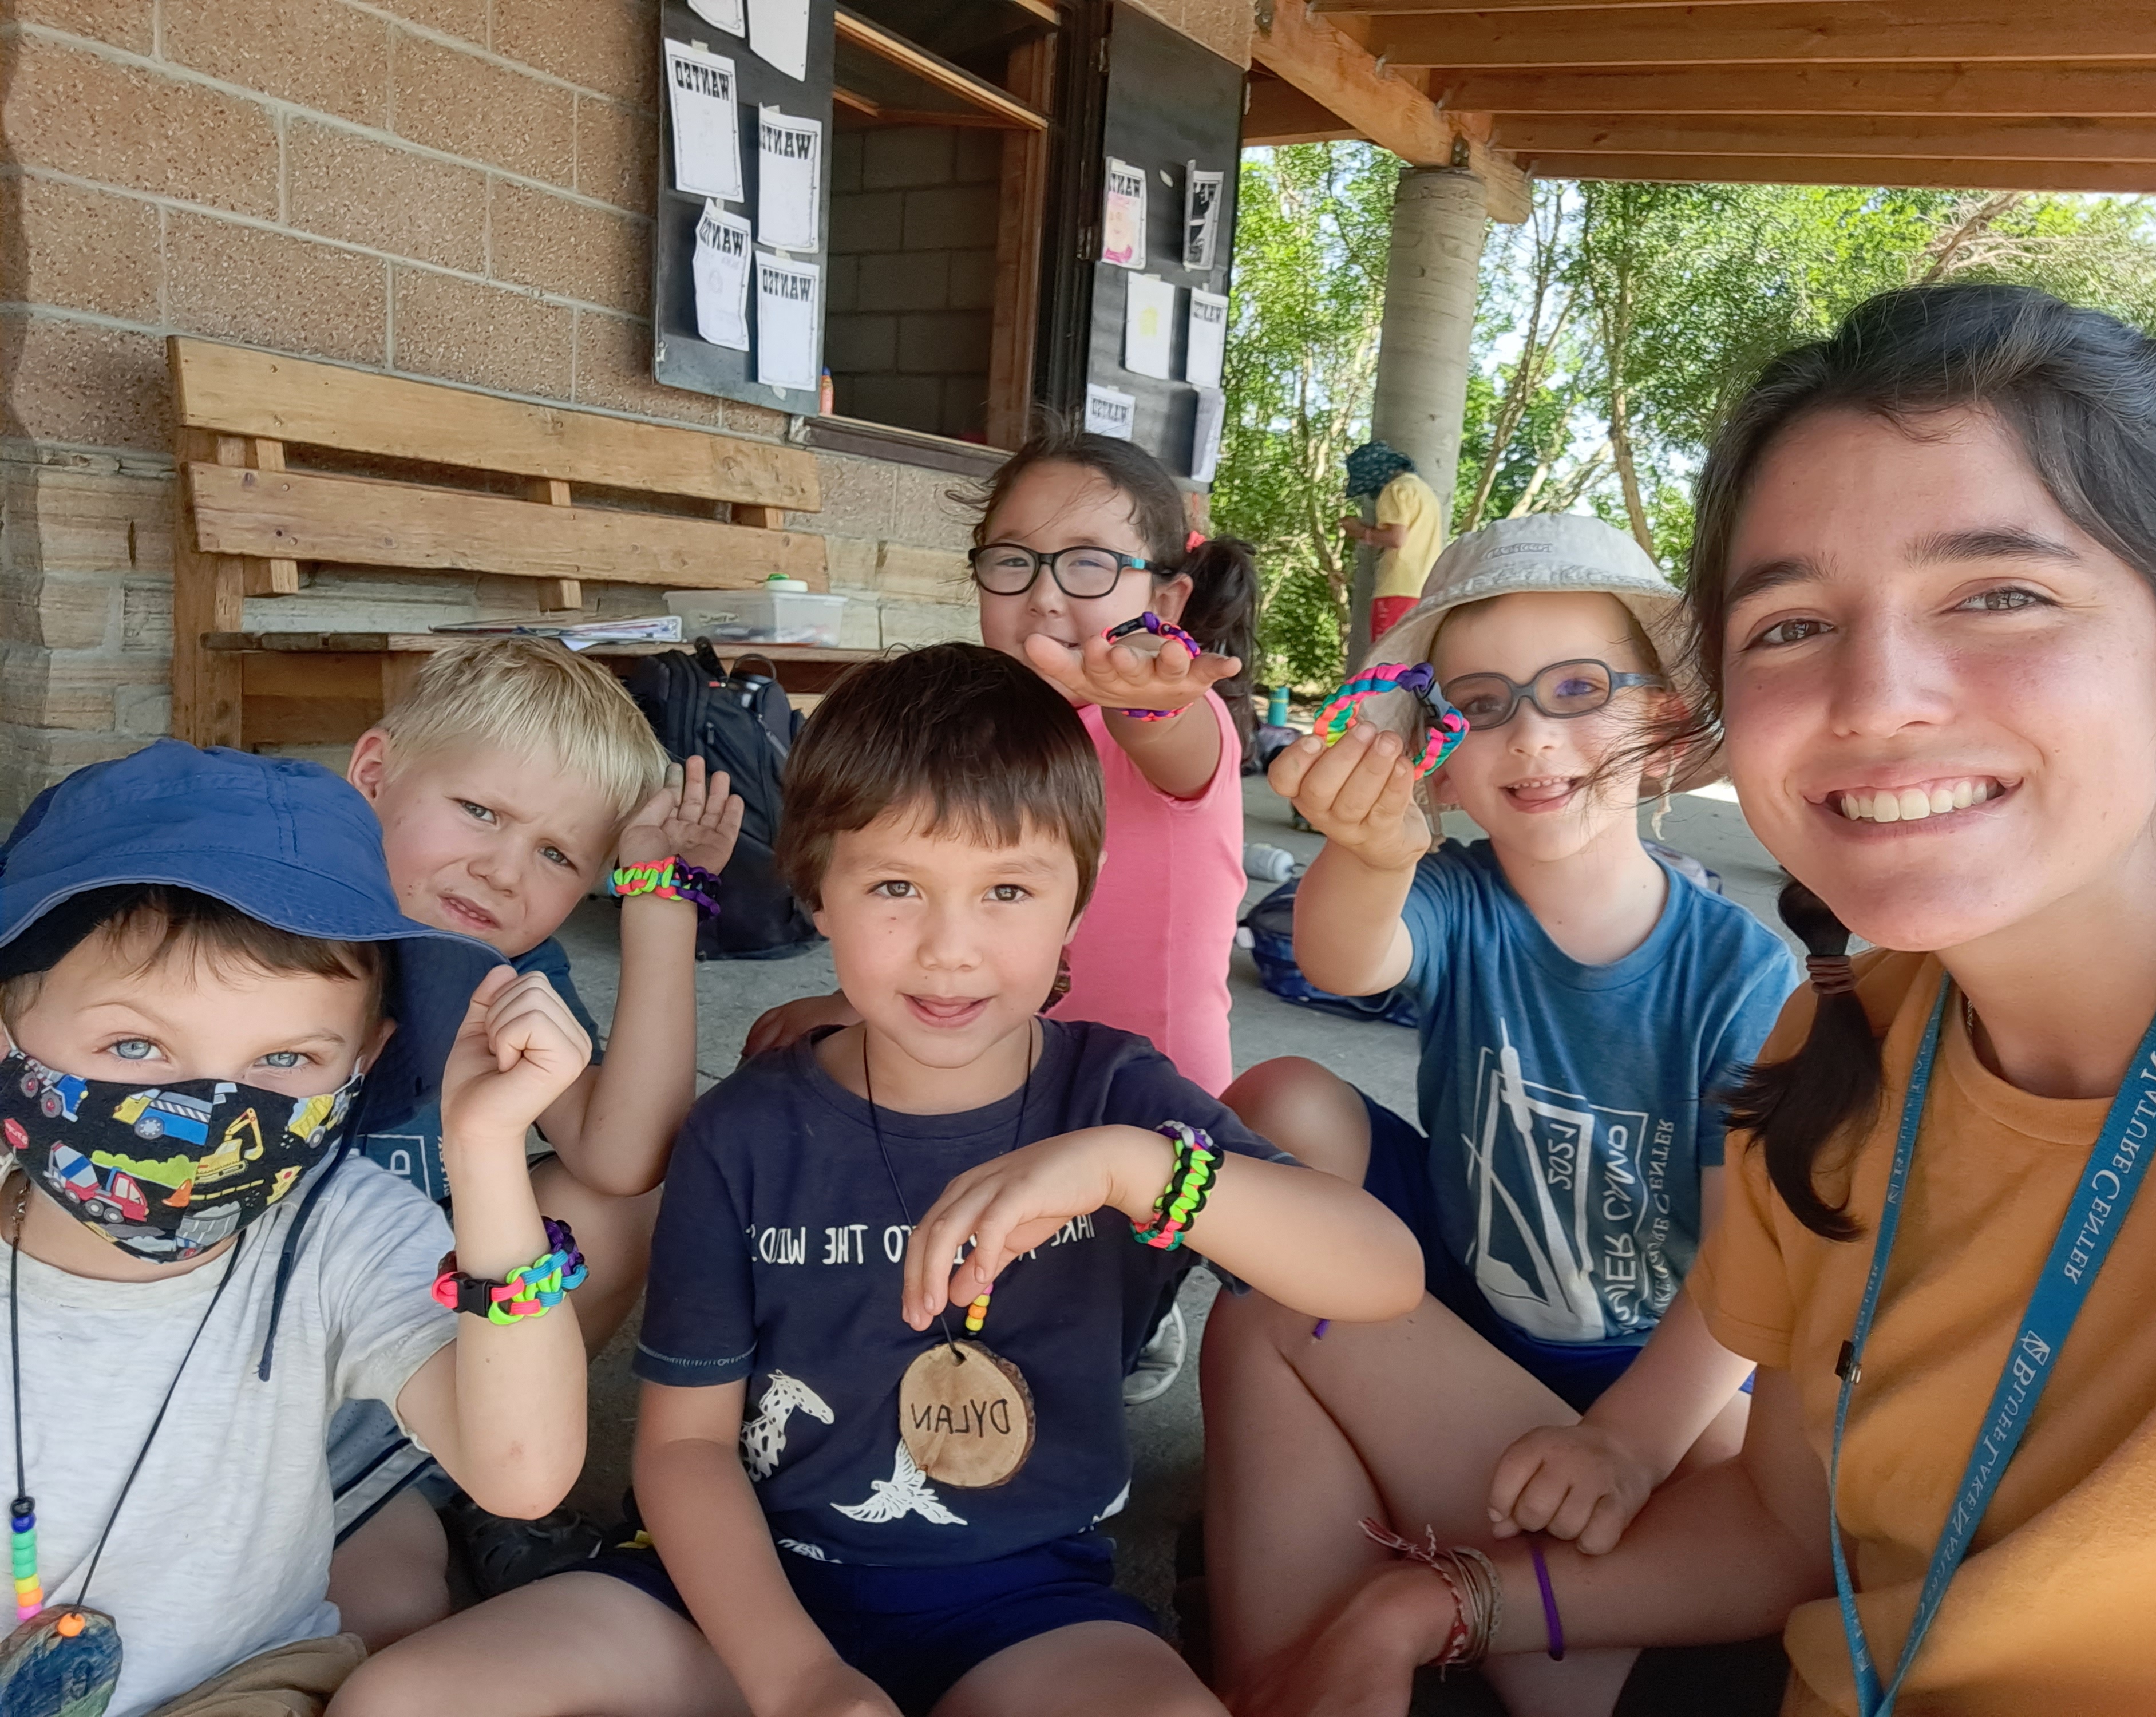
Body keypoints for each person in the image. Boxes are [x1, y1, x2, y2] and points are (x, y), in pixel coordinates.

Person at [1227, 284, 2156, 1717]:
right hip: (1762, 1609)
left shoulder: (1737, 975)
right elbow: (1793, 1525)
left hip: (1641, 1388)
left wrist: (1618, 1449)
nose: (1876, 695)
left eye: (1997, 594)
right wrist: (1433, 1603)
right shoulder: (1850, 1032)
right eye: (1791, 623)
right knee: (1272, 1304)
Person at [331, 642, 1421, 1717]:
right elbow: (685, 1450)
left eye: (1008, 890)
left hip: (1031, 1609)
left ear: (1079, 904)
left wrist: (1135, 1169)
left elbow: (1379, 1275)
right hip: (727, 1596)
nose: (950, 948)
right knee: (402, 1699)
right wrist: (797, 1679)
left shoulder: (1120, 1099)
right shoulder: (742, 1131)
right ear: (817, 893)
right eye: (897, 886)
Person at [1204, 513, 1797, 1713]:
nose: (1529, 734)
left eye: (1578, 689)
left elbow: (1757, 1263)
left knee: (1750, 1501)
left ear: (1665, 720)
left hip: (1657, 1354)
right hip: (1469, 1291)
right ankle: (1315, 1651)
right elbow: (1343, 956)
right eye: (1481, 704)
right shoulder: (1458, 896)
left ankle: (1411, 1569)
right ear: (1440, 749)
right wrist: (1373, 852)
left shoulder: (1739, 975)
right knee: (1280, 1105)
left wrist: (1628, 1442)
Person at [0, 741, 590, 1717]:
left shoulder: (338, 1234)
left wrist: (486, 1152)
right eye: (135, 1044)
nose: (205, 1113)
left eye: (284, 1061)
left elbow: (520, 1473)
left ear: (365, 1059)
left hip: (241, 1688)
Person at [745, 424, 1260, 1399]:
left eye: (1090, 564)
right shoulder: (984, 739)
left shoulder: (1177, 731)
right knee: (789, 1041)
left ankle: (1133, 1300)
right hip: (994, 1066)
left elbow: (1176, 733)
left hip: (1134, 1117)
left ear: (1165, 600)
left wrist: (1143, 697)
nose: (1047, 593)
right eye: (1014, 560)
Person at [329, 637, 742, 1635]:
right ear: (375, 774)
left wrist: (661, 900)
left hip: (427, 1357)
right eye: (480, 811)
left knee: (624, 1201)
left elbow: (625, 1159)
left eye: (558, 856)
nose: (503, 870)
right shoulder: (275, 938)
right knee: (363, 1610)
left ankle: (474, 1462)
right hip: (268, 1359)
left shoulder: (512, 976)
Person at [1339, 441, 1443, 643]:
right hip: (1425, 589)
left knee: (1386, 654)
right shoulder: (1422, 490)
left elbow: (1396, 539)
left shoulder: (1394, 489)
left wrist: (1361, 532)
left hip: (1397, 589)